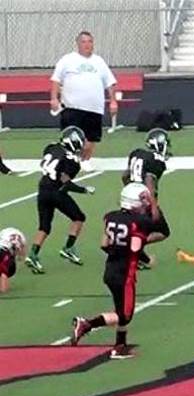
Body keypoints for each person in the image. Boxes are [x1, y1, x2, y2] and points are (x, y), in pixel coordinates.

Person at [71, 183, 159, 359]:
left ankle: (120, 346)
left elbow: (104, 244)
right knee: (125, 315)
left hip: (110, 268)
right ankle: (87, 324)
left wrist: (117, 252)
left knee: (121, 308)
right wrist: (148, 260)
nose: (146, 203)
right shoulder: (140, 222)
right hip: (125, 274)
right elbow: (135, 248)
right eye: (143, 199)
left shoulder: (110, 217)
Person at [25, 126, 95, 274]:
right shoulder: (72, 162)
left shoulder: (51, 147)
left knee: (44, 227)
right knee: (79, 218)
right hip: (56, 192)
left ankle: (32, 255)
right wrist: (84, 190)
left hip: (42, 190)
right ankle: (68, 248)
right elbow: (66, 183)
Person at [50, 31, 117, 168]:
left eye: (90, 42)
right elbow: (56, 80)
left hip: (94, 108)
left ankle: (85, 161)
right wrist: (54, 98)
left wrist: (113, 101)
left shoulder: (99, 61)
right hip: (72, 107)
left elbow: (109, 82)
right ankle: (70, 162)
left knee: (91, 140)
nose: (87, 45)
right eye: (84, 42)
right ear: (78, 44)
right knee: (72, 138)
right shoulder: (67, 60)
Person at [122, 128, 171, 270]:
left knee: (138, 228)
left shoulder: (136, 153)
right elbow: (150, 182)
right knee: (163, 231)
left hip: (127, 194)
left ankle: (136, 255)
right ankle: (132, 247)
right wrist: (153, 206)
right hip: (143, 198)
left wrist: (129, 191)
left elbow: (125, 176)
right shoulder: (157, 161)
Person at [0, 228, 26, 294]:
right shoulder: (21, 238)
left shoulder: (4, 233)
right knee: (4, 273)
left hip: (3, 250)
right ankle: (4, 291)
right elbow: (21, 255)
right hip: (5, 252)